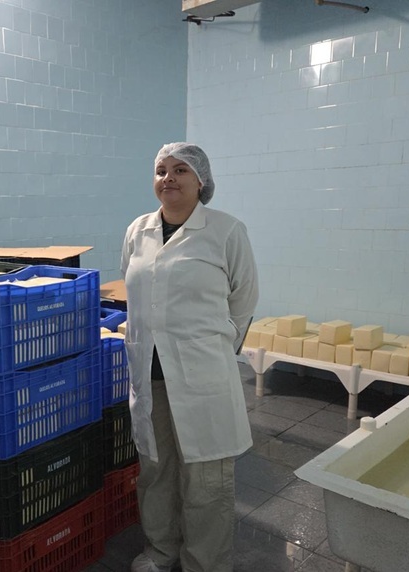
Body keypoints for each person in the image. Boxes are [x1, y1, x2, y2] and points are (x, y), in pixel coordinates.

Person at [121, 142, 259, 572]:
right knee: (155, 474)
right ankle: (161, 553)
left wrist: (216, 347)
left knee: (206, 483)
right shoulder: (136, 231)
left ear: (202, 181)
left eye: (181, 170)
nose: (170, 179)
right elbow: (136, 297)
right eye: (162, 170)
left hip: (204, 379)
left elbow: (245, 299)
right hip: (150, 375)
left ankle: (205, 564)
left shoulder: (226, 231)